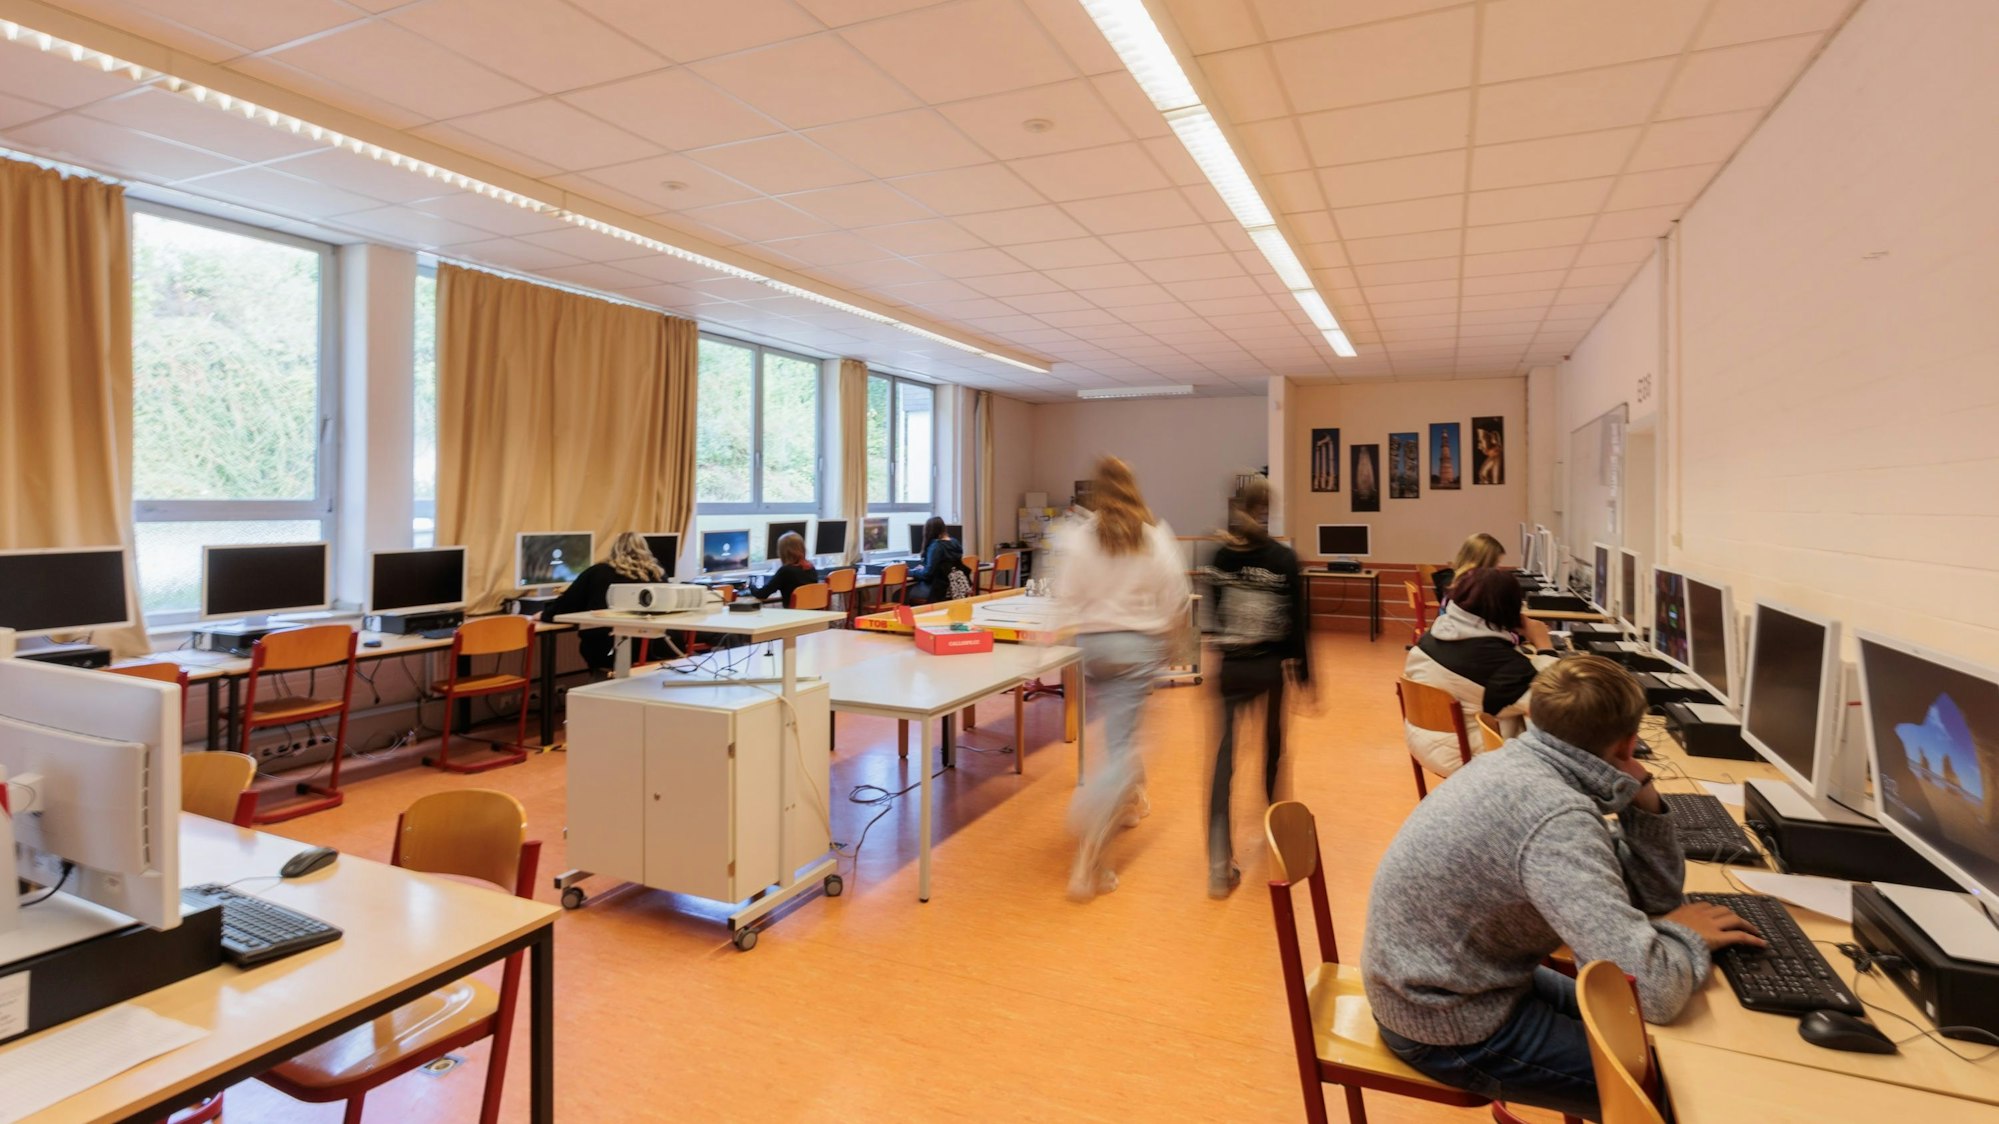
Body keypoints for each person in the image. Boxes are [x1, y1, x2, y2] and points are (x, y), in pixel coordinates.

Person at [1362, 656, 1764, 1119]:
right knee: (1679, 1094)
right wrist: (1687, 937)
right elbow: (1652, 993)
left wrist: (1643, 798)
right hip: (1445, 1023)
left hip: (1457, 984)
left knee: (1654, 1040)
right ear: (1630, 742)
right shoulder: (1556, 818)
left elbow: (1654, 899)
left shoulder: (1523, 760)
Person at [1048, 457, 1191, 901]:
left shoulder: (1079, 536)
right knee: (1125, 749)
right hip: (1137, 649)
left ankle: (1124, 802)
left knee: (1117, 735)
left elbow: (1065, 596)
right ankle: (1091, 858)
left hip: (1095, 650)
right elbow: (1177, 598)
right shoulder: (1153, 534)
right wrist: (1173, 642)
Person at [1203, 476, 1309, 898]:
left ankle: (1217, 865)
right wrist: (1304, 673)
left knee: (1223, 764)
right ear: (1267, 510)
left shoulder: (1218, 555)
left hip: (1231, 670)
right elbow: (1298, 624)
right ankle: (1275, 826)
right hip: (1269, 668)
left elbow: (1213, 614)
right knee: (1272, 750)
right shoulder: (1283, 559)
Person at [1402, 566, 1557, 777]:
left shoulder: (1432, 636)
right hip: (1466, 757)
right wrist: (1544, 645)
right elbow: (1556, 702)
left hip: (1422, 741)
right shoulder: (1502, 667)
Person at [541, 532, 664, 672]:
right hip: (655, 648)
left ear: (613, 550)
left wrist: (545, 613)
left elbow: (566, 606)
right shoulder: (658, 574)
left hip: (608, 649)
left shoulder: (597, 572)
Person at [906, 517, 971, 604]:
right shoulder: (955, 542)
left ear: (929, 531)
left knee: (900, 594)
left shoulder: (936, 546)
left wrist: (910, 572)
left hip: (938, 590)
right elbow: (944, 566)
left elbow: (927, 575)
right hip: (953, 588)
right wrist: (925, 567)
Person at [1432, 531, 1507, 603]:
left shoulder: (1452, 582)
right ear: (1485, 562)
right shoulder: (1475, 588)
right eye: (1497, 563)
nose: (1498, 567)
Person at [747, 531, 818, 606]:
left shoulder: (786, 571)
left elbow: (762, 594)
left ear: (783, 552)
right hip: (812, 614)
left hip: (794, 615)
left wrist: (751, 585)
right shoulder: (811, 568)